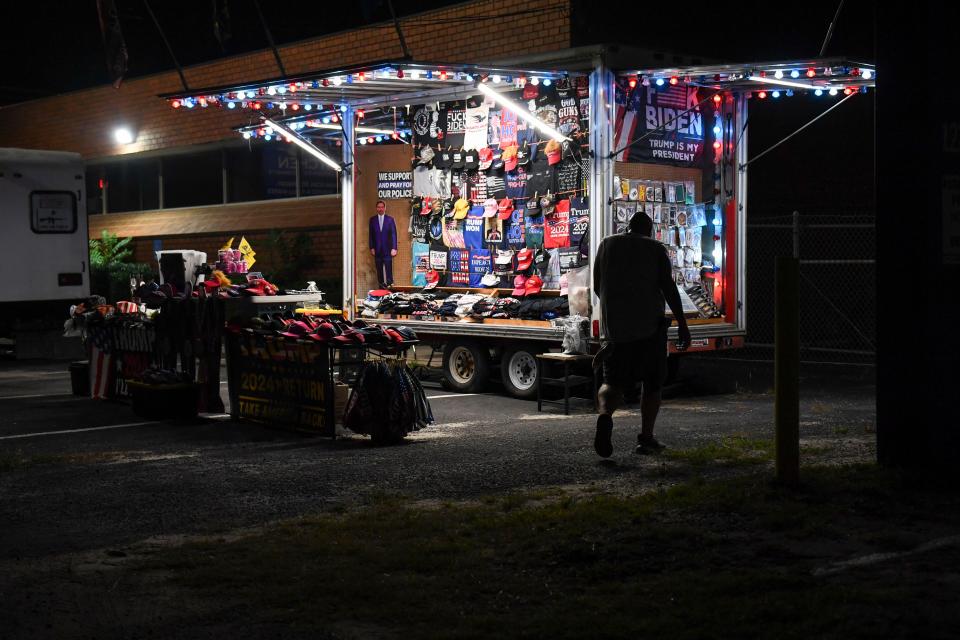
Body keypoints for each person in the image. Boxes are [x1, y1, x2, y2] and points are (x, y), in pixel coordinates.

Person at [592, 211, 691, 458]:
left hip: (615, 332)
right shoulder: (655, 249)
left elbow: (597, 286)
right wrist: (682, 323)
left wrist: (616, 309)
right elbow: (668, 288)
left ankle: (604, 416)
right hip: (649, 330)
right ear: (649, 230)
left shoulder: (606, 244)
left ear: (628, 227)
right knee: (653, 382)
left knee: (611, 382)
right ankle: (646, 438)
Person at [369, 200, 398, 287]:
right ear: (376, 208)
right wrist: (371, 247)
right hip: (377, 249)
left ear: (385, 208)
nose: (380, 209)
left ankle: (390, 287)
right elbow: (371, 235)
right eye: (379, 207)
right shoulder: (372, 220)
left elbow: (393, 234)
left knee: (389, 269)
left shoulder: (390, 220)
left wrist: (394, 248)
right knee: (379, 270)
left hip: (388, 249)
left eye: (382, 207)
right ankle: (381, 287)